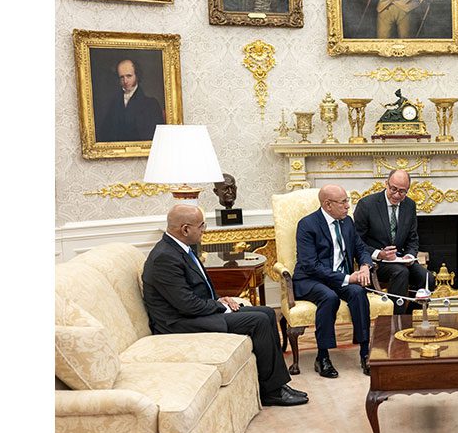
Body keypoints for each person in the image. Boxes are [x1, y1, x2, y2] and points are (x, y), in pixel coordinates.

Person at [141, 204, 306, 407]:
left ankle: (277, 384)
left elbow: (198, 289)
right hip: (179, 323)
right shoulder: (164, 257)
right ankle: (271, 392)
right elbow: (187, 305)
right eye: (201, 225)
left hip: (193, 314)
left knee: (267, 313)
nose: (204, 230)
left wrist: (221, 299)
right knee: (258, 321)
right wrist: (220, 306)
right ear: (185, 229)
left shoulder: (180, 248)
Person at [292, 184, 375, 378]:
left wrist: (365, 266)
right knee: (329, 297)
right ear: (328, 204)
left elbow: (361, 248)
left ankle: (365, 353)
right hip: (310, 279)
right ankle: (322, 357)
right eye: (343, 202)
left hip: (339, 278)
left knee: (358, 293)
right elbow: (310, 265)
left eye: (347, 201)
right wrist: (347, 278)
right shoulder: (307, 225)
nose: (348, 206)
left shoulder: (347, 222)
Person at [352, 169, 427, 315]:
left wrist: (410, 256)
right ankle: (394, 320)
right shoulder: (367, 205)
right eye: (393, 189)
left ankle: (410, 317)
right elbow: (356, 242)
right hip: (376, 262)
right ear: (386, 184)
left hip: (400, 260)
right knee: (401, 273)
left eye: (402, 191)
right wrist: (379, 254)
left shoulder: (409, 205)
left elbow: (413, 239)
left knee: (427, 278)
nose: (397, 195)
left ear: (408, 190)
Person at [95, 59, 165, 143]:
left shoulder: (151, 104)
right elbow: (104, 134)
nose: (125, 81)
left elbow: (157, 138)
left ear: (137, 76)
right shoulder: (113, 103)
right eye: (122, 77)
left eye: (129, 76)